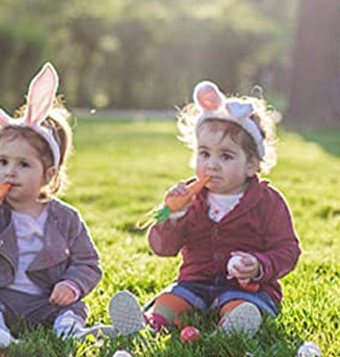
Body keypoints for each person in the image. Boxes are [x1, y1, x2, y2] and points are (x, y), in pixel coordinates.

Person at [109, 79, 301, 339]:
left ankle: (233, 329)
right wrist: (173, 216)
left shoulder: (267, 201)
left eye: (226, 156)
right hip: (195, 282)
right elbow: (162, 249)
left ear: (252, 165)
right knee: (170, 300)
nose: (212, 165)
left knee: (240, 305)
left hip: (246, 288)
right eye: (204, 154)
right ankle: (149, 323)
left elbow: (288, 250)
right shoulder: (189, 197)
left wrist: (258, 266)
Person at [0, 62, 105, 348]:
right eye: (2, 162)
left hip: (43, 301)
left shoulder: (66, 219)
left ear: (48, 175)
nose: (9, 172)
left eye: (24, 164)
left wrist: (72, 285)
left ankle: (68, 330)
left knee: (74, 308)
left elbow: (87, 262)